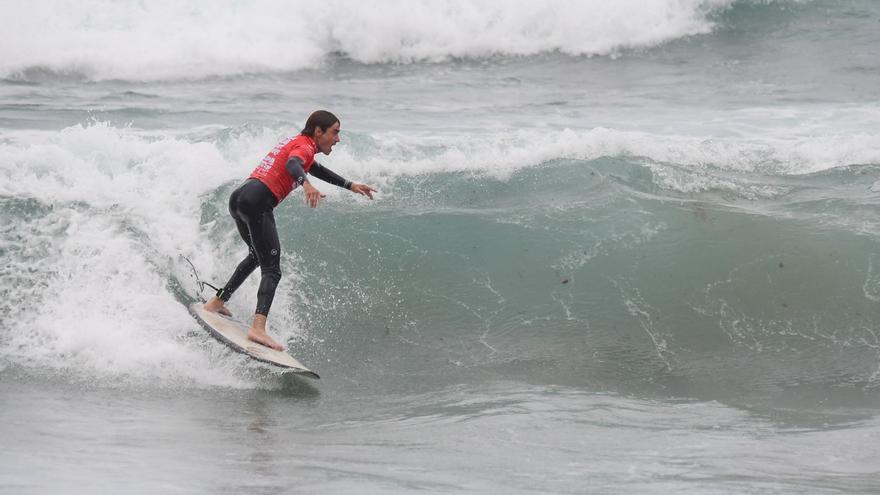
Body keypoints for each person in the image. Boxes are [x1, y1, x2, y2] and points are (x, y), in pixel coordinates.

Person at [203, 110, 377, 350]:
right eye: (335, 132)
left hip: (240, 198)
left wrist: (350, 185)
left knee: (256, 256)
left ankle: (216, 302)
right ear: (318, 131)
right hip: (257, 203)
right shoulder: (303, 149)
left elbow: (312, 167)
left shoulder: (299, 143)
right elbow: (293, 163)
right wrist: (306, 185)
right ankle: (258, 329)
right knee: (272, 269)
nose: (338, 139)